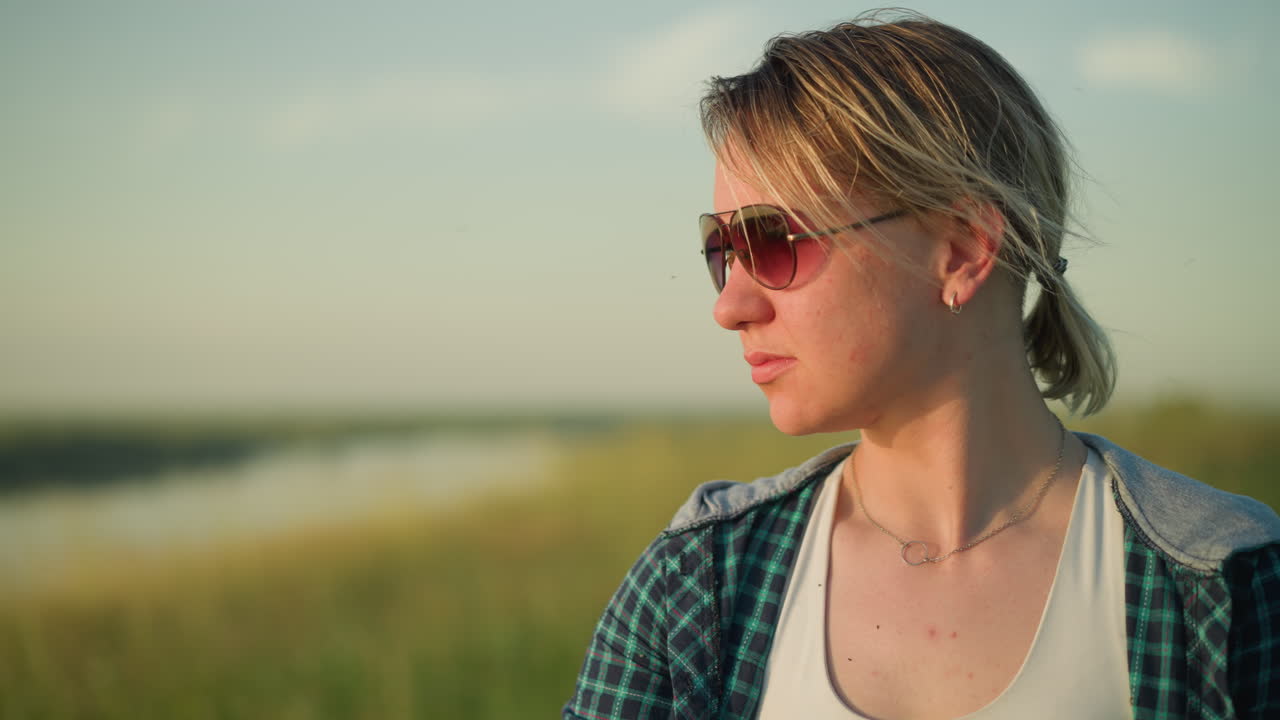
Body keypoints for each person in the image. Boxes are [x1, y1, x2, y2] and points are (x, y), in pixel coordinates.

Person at [564, 11, 1280, 720]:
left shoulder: (1223, 585)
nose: (731, 305)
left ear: (962, 250)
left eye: (772, 241)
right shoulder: (701, 585)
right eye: (724, 250)